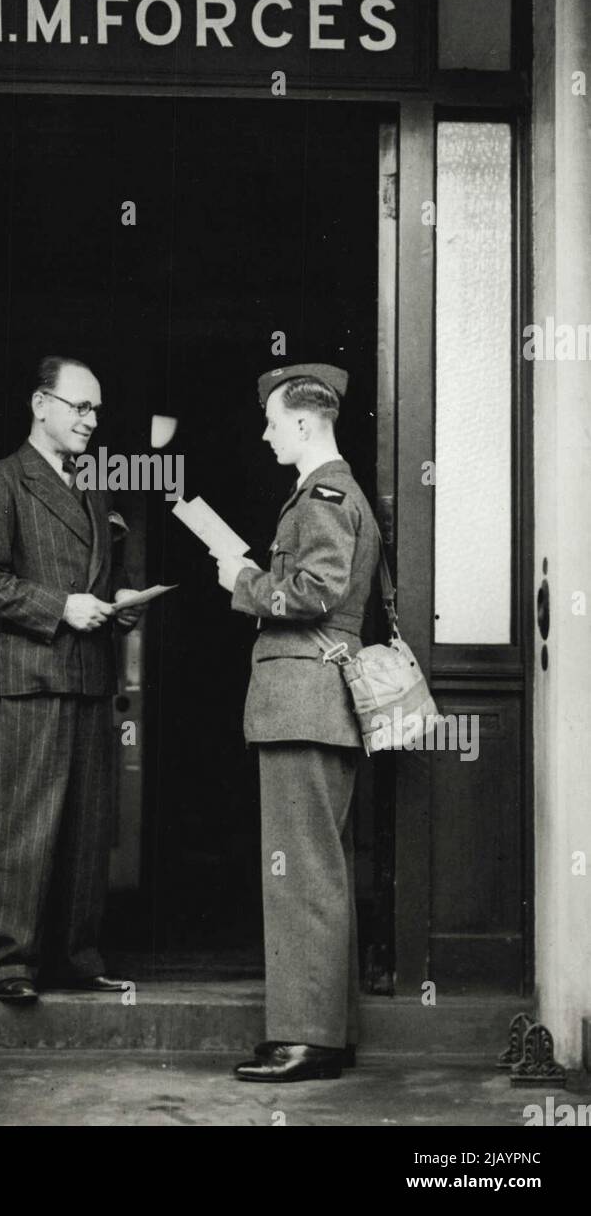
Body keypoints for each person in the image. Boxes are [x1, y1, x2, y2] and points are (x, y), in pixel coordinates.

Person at [0, 355, 142, 1003]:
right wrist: (61, 607)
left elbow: (92, 583)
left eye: (96, 410)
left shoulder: (93, 490)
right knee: (21, 826)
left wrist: (121, 605)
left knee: (86, 832)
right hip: (28, 681)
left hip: (89, 680)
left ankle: (75, 957)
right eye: (79, 407)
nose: (92, 421)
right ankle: (7, 963)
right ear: (41, 405)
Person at [215, 363, 379, 1081]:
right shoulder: (340, 495)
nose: (265, 432)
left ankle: (307, 1040)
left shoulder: (320, 496)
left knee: (301, 876)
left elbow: (314, 591)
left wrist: (243, 582)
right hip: (319, 705)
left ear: (306, 423)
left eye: (274, 421)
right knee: (319, 870)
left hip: (302, 706)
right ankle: (323, 1030)